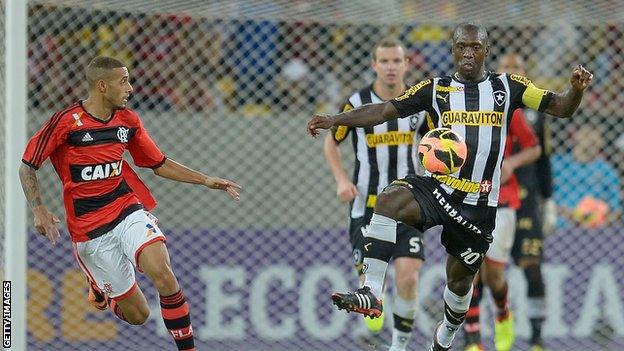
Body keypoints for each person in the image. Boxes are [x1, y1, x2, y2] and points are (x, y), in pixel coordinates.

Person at [307, 22, 593, 351]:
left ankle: (446, 333)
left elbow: (560, 107)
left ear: (486, 50)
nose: (468, 53)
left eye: (475, 47)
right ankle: (371, 291)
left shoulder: (509, 87)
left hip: (479, 205)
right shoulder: (436, 89)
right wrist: (336, 119)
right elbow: (385, 111)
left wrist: (576, 90)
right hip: (439, 189)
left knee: (458, 284)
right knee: (388, 200)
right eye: (461, 47)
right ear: (453, 51)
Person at [19, 56, 241, 351]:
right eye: (123, 81)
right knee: (138, 315)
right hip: (89, 231)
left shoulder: (128, 121)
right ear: (102, 86)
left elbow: (157, 163)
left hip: (126, 210)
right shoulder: (66, 122)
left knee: (162, 271)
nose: (131, 88)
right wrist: (38, 208)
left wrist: (205, 180)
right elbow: (27, 165)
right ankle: (101, 290)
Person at [324, 37, 427, 350]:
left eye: (397, 61)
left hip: (407, 204)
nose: (391, 67)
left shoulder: (419, 102)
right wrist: (342, 180)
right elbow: (332, 140)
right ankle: (376, 323)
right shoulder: (357, 102)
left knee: (408, 277)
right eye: (384, 61)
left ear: (406, 64)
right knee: (372, 289)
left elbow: (436, 141)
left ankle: (400, 345)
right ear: (374, 65)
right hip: (366, 206)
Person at [463, 53, 543, 351]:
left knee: (494, 275)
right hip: (466, 197)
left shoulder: (507, 106)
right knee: (467, 270)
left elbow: (534, 147)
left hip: (502, 199)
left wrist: (510, 163)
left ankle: (502, 312)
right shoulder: (451, 103)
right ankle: (473, 340)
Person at [506, 54, 558, 351]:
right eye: (507, 68)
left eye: (517, 68)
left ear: (525, 75)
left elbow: (545, 160)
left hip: (527, 201)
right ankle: (472, 338)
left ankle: (537, 339)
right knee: (485, 273)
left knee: (532, 268)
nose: (511, 72)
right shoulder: (485, 106)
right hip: (492, 199)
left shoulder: (536, 112)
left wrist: (548, 202)